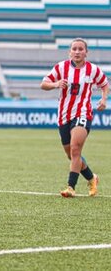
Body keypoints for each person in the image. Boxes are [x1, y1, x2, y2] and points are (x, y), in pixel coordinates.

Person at [40, 38, 107, 198]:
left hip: (83, 113)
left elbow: (104, 84)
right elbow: (43, 83)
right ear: (70, 52)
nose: (77, 52)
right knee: (71, 155)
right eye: (74, 49)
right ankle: (92, 178)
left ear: (86, 52)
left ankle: (71, 187)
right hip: (64, 115)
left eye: (80, 49)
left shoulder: (92, 69)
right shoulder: (61, 67)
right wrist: (56, 84)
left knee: (76, 149)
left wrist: (104, 99)